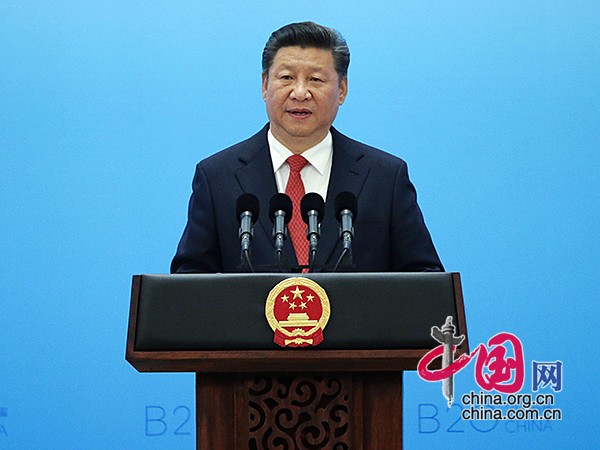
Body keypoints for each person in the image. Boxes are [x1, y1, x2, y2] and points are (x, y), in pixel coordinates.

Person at [171, 21, 443, 273]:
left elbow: (425, 281)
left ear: (342, 89)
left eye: (315, 79)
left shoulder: (385, 176)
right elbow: (189, 284)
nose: (300, 93)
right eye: (287, 77)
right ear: (265, 85)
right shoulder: (218, 176)